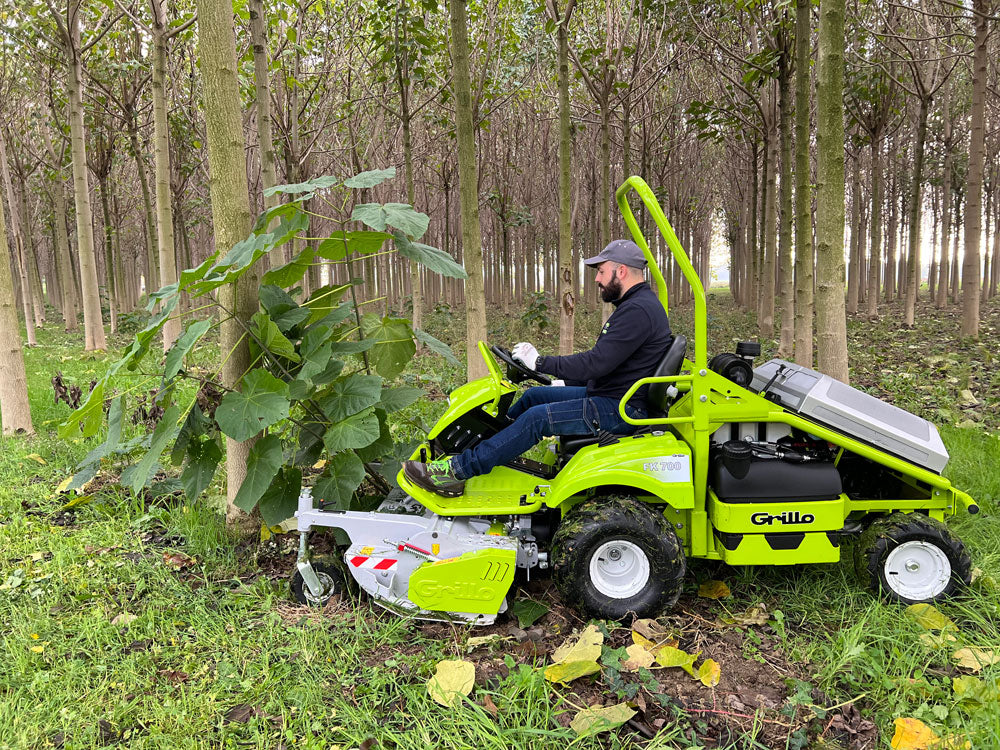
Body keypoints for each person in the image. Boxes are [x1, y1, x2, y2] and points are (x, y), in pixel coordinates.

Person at [403, 239, 672, 497]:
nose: (597, 279)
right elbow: (615, 364)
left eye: (601, 271)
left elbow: (596, 362)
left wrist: (540, 362)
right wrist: (562, 382)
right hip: (614, 394)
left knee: (538, 418)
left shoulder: (638, 311)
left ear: (621, 271)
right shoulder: (636, 306)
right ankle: (488, 449)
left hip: (621, 408)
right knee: (534, 396)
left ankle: (455, 471)